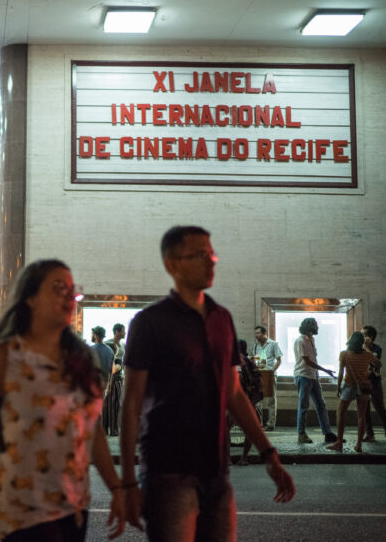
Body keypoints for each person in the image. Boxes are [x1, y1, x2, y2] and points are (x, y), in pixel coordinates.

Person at [0, 259, 125, 542]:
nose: (69, 297)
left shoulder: (80, 359)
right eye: (58, 288)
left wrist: (116, 488)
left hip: (74, 502)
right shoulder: (0, 358)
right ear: (30, 298)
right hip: (19, 505)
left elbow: (92, 430)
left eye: (71, 290)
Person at [121, 226, 294, 541]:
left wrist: (269, 455)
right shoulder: (150, 322)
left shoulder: (221, 318)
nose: (211, 261)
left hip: (216, 469)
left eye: (211, 254)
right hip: (168, 470)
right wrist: (128, 483)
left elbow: (234, 393)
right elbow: (131, 402)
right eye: (200, 255)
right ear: (172, 264)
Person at [328, 332, 381, 452]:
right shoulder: (367, 355)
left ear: (350, 341)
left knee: (341, 412)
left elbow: (341, 373)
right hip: (364, 386)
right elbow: (378, 363)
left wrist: (338, 388)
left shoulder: (344, 354)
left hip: (349, 386)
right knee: (361, 416)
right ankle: (359, 445)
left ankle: (339, 442)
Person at [293, 317, 338, 444]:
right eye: (315, 325)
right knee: (304, 406)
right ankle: (301, 434)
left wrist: (319, 373)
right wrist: (325, 370)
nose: (317, 327)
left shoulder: (311, 339)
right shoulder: (300, 340)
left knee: (321, 405)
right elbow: (307, 361)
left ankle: (327, 433)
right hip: (303, 375)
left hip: (312, 376)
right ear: (309, 326)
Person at [361, 326, 386, 444]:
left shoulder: (377, 348)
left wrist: (366, 348)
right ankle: (369, 434)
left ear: (370, 337)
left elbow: (375, 361)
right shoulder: (359, 348)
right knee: (365, 410)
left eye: (364, 335)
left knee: (380, 408)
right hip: (363, 382)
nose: (362, 338)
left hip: (375, 382)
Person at [253, 325, 283, 431]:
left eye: (258, 333)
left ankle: (270, 424)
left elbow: (279, 360)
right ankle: (258, 423)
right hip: (259, 375)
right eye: (255, 333)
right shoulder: (256, 346)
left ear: (264, 333)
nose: (256, 335)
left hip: (269, 374)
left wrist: (272, 371)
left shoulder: (273, 344)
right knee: (257, 399)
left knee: (271, 399)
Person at [102, 323, 125, 437]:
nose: (124, 333)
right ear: (117, 332)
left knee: (116, 405)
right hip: (109, 377)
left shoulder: (123, 345)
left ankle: (113, 429)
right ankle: (106, 428)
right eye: (122, 331)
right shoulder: (107, 344)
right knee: (107, 405)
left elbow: (124, 362)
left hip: (119, 377)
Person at [90, 326, 115, 391]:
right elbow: (112, 370)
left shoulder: (90, 349)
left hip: (93, 382)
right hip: (105, 383)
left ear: (95, 335)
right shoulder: (110, 350)